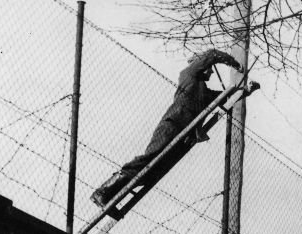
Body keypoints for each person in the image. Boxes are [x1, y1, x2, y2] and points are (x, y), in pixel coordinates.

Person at [91, 48, 242, 206]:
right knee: (151, 159)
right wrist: (234, 63)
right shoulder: (188, 77)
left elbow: (223, 96)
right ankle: (104, 191)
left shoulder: (202, 91)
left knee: (155, 172)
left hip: (183, 135)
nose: (211, 72)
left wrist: (241, 89)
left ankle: (112, 197)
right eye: (209, 69)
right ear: (200, 67)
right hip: (173, 125)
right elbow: (212, 55)